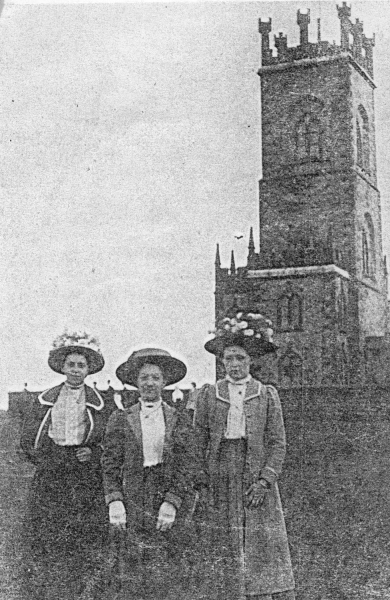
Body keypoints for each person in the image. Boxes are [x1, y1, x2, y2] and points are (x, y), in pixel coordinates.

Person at [195, 310, 295, 600]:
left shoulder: (265, 394)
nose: (235, 364)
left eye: (240, 358)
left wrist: (265, 480)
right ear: (222, 361)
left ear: (251, 361)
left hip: (254, 471)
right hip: (221, 470)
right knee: (225, 534)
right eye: (229, 358)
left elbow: (278, 442)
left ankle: (259, 593)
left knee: (259, 536)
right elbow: (198, 439)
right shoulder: (209, 394)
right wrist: (202, 476)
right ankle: (229, 592)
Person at [101, 347, 198, 600]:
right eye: (144, 377)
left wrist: (172, 501)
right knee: (131, 565)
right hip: (133, 494)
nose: (150, 383)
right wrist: (115, 501)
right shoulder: (120, 419)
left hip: (165, 491)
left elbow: (187, 465)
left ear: (165, 381)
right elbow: (110, 463)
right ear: (135, 382)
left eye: (155, 377)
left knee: (167, 564)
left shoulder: (179, 419)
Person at [19, 331, 108, 600]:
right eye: (71, 365)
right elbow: (29, 435)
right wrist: (43, 456)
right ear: (62, 367)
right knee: (48, 518)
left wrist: (92, 451)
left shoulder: (98, 401)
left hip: (82, 466)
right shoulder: (47, 398)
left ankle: (80, 574)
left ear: (89, 369)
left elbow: (108, 435)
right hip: (53, 463)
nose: (76, 371)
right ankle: (45, 575)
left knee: (82, 520)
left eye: (81, 365)